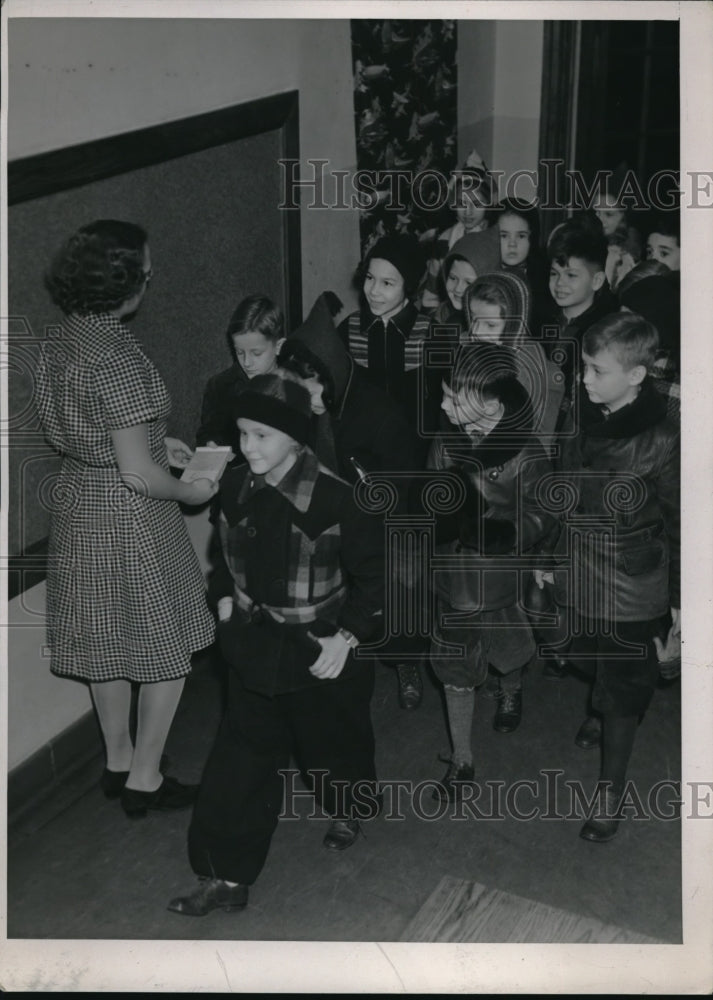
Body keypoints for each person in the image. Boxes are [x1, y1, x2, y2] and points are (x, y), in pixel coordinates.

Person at [168, 374, 385, 916]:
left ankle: (348, 804)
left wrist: (348, 635)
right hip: (253, 644)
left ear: (296, 438)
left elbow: (378, 580)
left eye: (262, 436)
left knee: (331, 745)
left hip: (318, 646)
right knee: (239, 760)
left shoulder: (337, 497)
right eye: (243, 434)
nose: (249, 447)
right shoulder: (236, 487)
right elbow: (223, 560)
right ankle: (225, 877)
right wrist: (223, 600)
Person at [34, 220, 218, 818]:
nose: (151, 273)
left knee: (106, 642)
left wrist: (163, 447)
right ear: (122, 280)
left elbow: (114, 441)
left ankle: (116, 761)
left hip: (79, 505)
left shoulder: (63, 339)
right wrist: (189, 492)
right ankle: (145, 779)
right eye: (144, 266)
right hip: (131, 516)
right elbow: (138, 474)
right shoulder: (117, 358)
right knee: (166, 646)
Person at [535, 312, 680, 842]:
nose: (584, 379)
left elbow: (681, 525)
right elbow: (560, 491)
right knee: (584, 660)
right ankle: (601, 705)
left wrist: (681, 610)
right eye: (583, 368)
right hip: (578, 564)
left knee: (621, 691)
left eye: (596, 370)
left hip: (631, 580)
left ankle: (610, 792)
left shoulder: (664, 437)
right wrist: (546, 557)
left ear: (637, 375)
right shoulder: (580, 414)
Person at [414, 343, 553, 798]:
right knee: (455, 664)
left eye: (452, 399)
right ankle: (462, 760)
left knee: (510, 645)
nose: (441, 406)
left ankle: (511, 686)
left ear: (491, 405)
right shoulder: (446, 440)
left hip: (498, 575)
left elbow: (544, 511)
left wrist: (502, 533)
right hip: (453, 577)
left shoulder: (525, 452)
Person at [279, 292, 426, 711]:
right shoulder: (301, 405)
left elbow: (404, 485)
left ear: (332, 374)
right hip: (331, 514)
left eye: (312, 389)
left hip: (385, 516)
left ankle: (405, 660)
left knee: (398, 589)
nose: (307, 400)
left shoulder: (378, 413)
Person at [196, 294, 286, 454]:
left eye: (256, 353)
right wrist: (211, 444)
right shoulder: (220, 386)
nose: (247, 362)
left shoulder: (298, 384)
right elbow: (209, 431)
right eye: (239, 352)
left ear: (278, 346)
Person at [546, 220, 618, 410]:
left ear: (596, 281)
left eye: (571, 275)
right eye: (554, 274)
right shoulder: (541, 319)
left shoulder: (605, 332)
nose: (559, 283)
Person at [419, 150, 498, 312]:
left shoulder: (495, 240)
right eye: (462, 203)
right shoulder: (444, 239)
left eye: (477, 204)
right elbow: (431, 294)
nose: (468, 212)